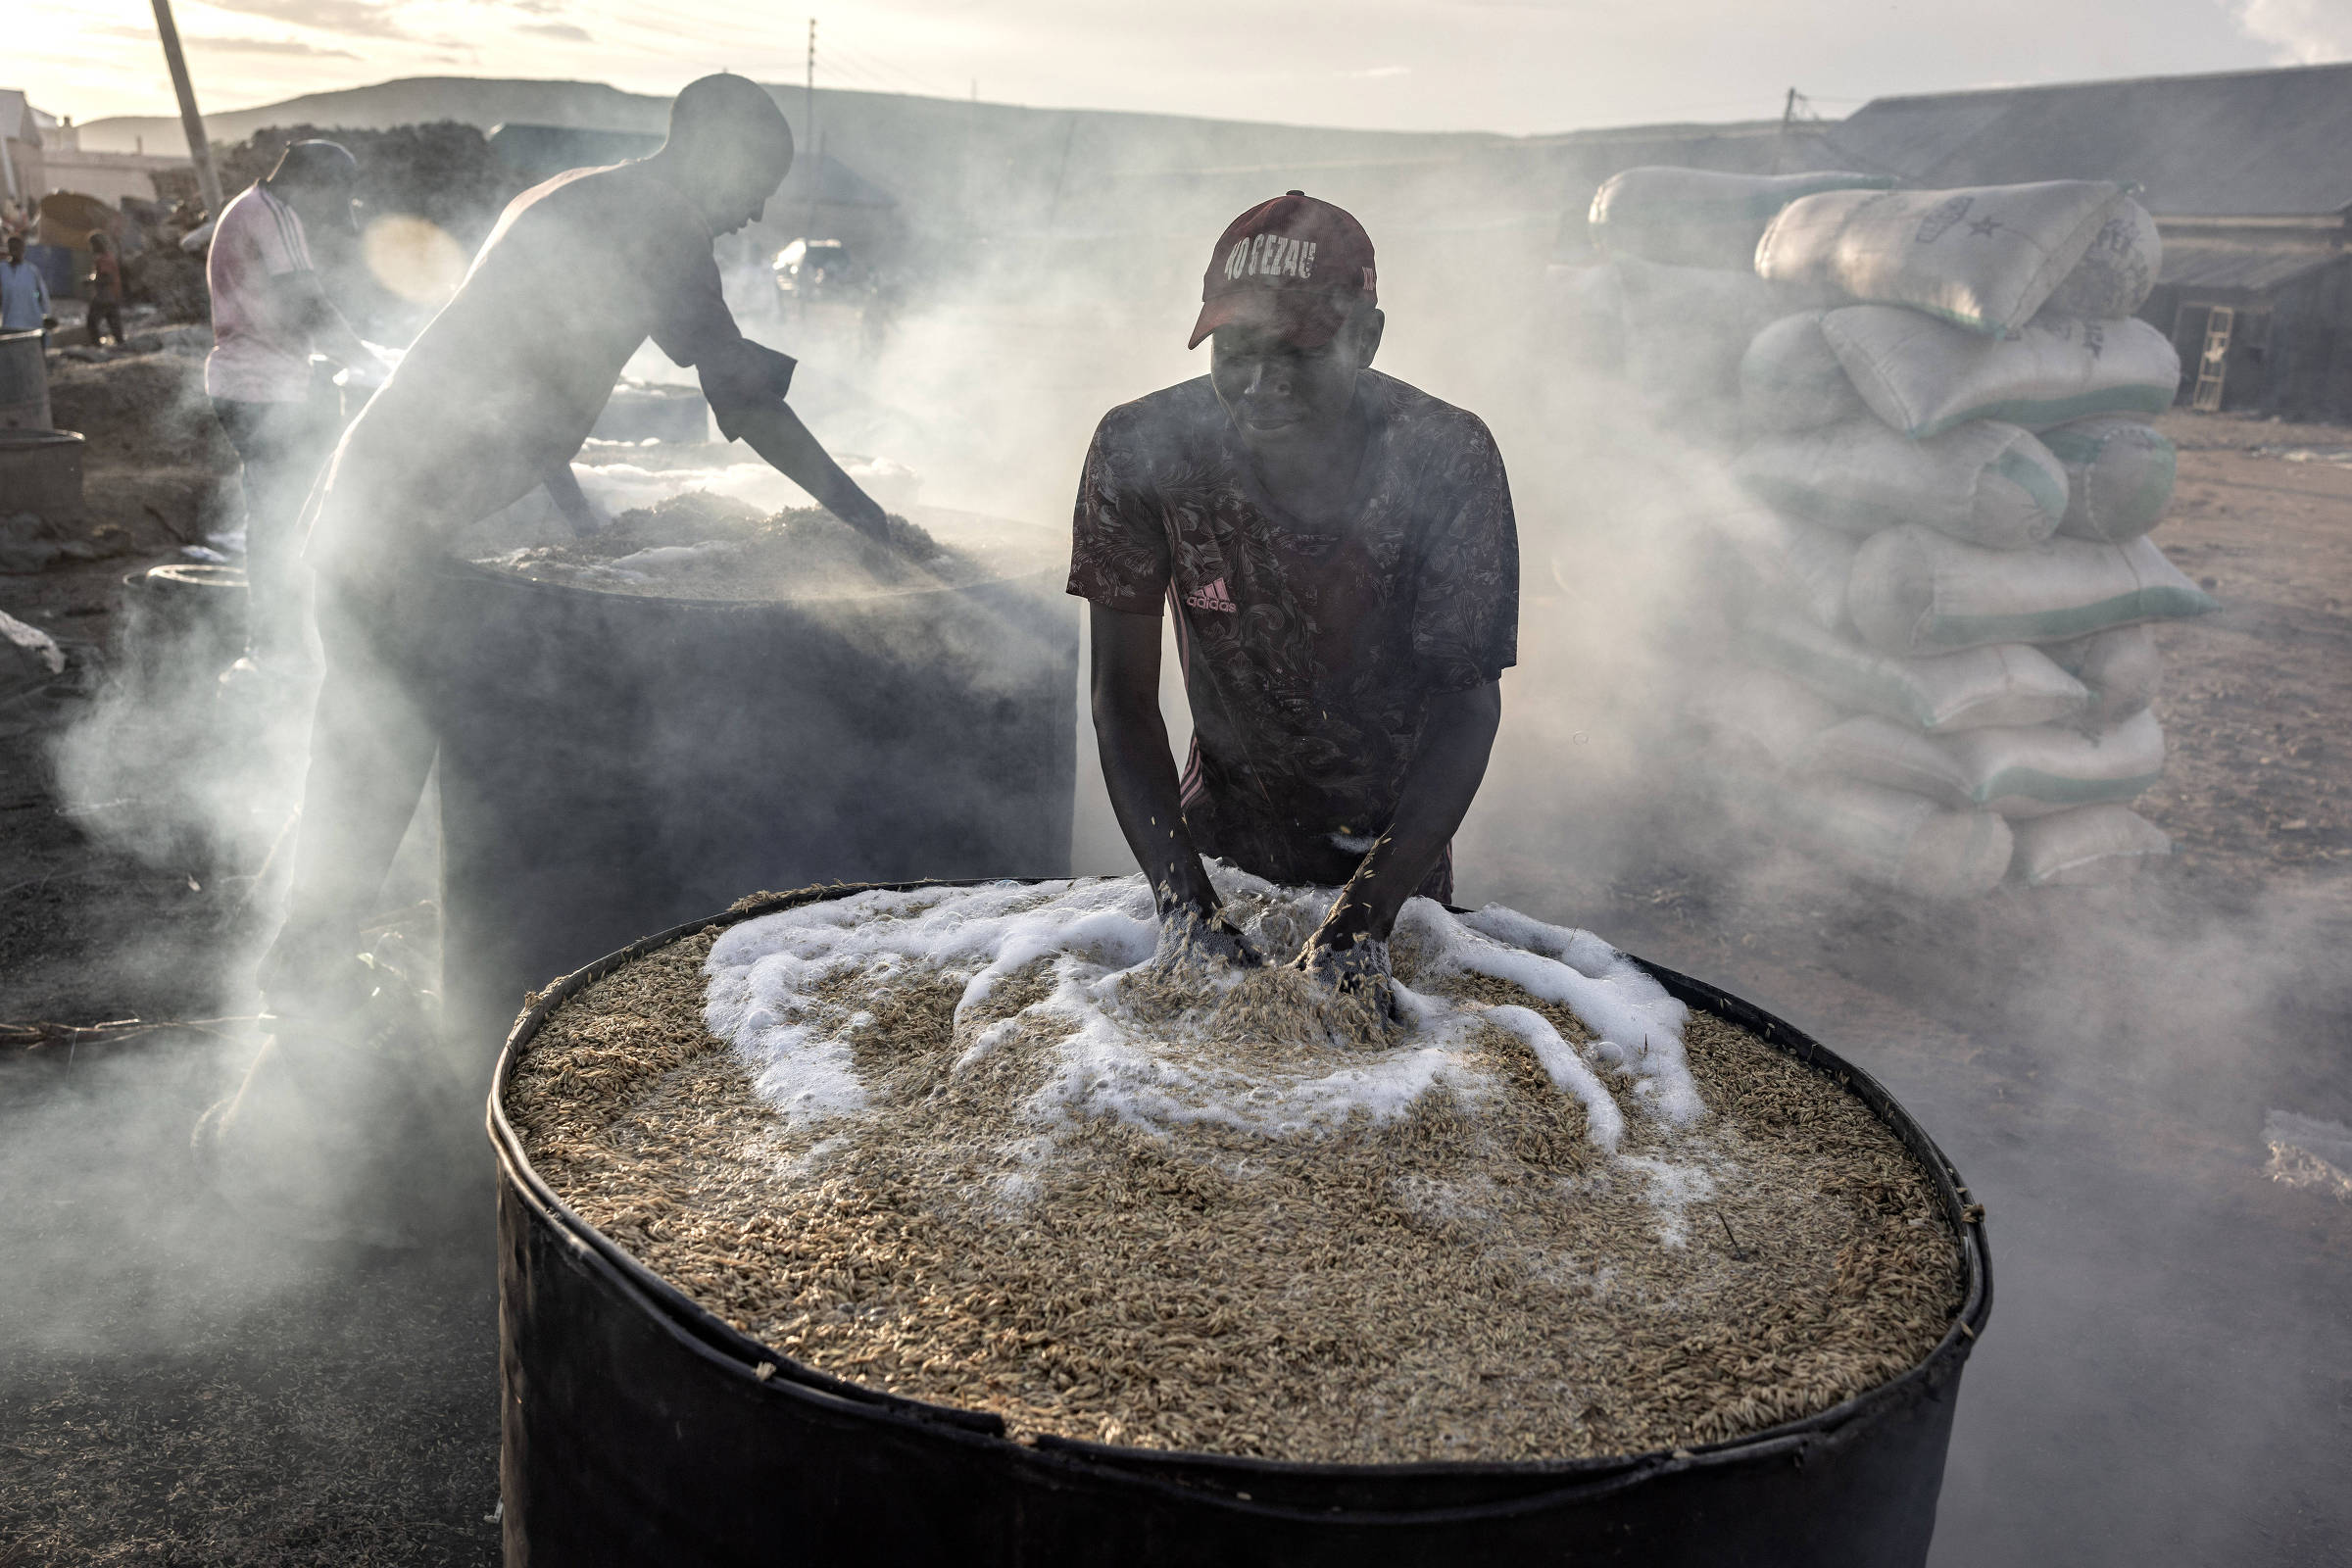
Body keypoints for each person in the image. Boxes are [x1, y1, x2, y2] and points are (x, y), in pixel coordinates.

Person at [261, 74, 892, 1029]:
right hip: (394, 524)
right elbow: (747, 399)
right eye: (754, 180)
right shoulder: (658, 226)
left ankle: (308, 955)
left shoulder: (583, 195)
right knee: (374, 758)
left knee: (364, 749)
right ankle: (307, 1004)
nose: (758, 210)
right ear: (707, 152)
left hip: (382, 503)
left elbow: (509, 372)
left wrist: (575, 508)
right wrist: (863, 514)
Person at [1070, 192, 1518, 1005]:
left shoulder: (1445, 457)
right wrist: (1186, 907)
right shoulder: (1141, 448)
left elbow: (1466, 707)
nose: (1261, 384)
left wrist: (1368, 918)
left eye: (1300, 352)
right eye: (1235, 349)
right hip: (1213, 854)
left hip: (1396, 872)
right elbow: (1122, 697)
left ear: (1368, 339)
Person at [204, 140, 378, 668]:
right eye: (333, 199)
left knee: (272, 513)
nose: (331, 213)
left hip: (246, 384)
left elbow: (281, 307)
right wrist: (375, 365)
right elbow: (308, 305)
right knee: (285, 516)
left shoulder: (248, 208)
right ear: (313, 184)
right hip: (262, 390)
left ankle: (273, 641)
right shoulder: (275, 214)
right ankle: (281, 648)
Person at [0, 233, 53, 337]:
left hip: (32, 322)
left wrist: (46, 315)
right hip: (10, 322)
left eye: (18, 248)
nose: (15, 251)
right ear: (8, 249)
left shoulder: (32, 271)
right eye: (12, 248)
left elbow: (42, 296)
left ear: (23, 250)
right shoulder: (2, 269)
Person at [83, 232, 124, 348]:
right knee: (114, 324)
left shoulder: (103, 259)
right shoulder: (108, 257)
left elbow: (107, 278)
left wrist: (90, 282)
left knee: (92, 322)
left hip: (104, 297)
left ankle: (97, 347)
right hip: (113, 295)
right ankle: (121, 347)